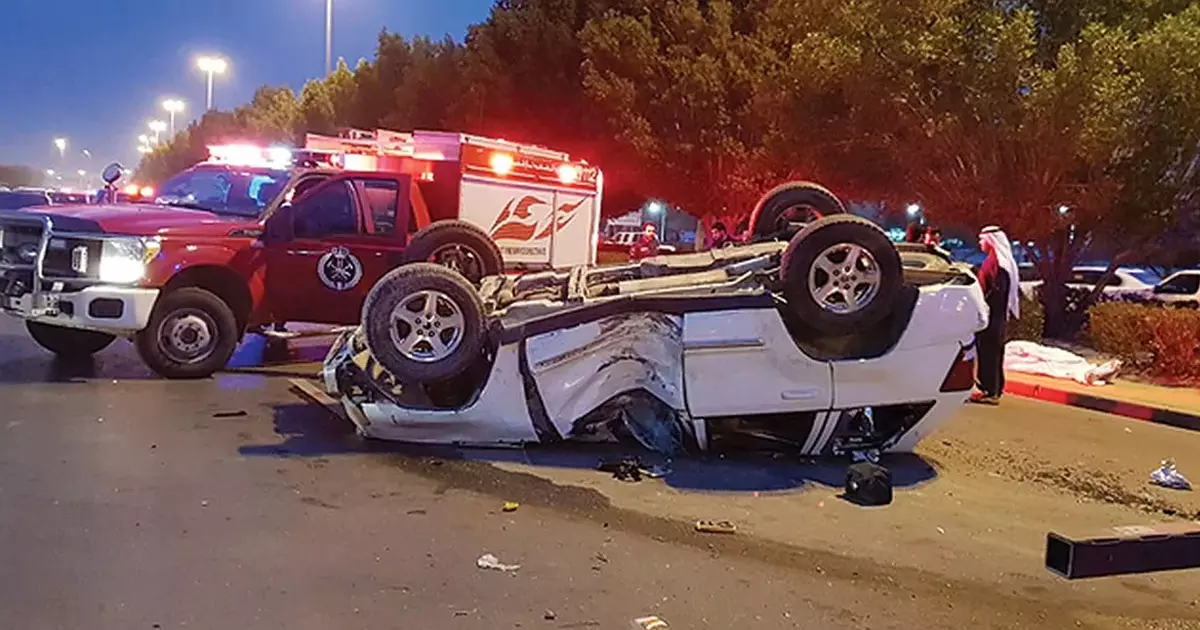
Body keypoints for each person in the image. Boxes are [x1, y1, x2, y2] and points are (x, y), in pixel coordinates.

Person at [972, 225, 1021, 404]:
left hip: (992, 316)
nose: (980, 243)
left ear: (991, 241)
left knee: (989, 352)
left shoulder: (996, 264)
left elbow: (993, 292)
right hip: (996, 316)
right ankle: (994, 389)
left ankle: (989, 390)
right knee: (993, 352)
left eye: (982, 240)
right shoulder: (998, 261)